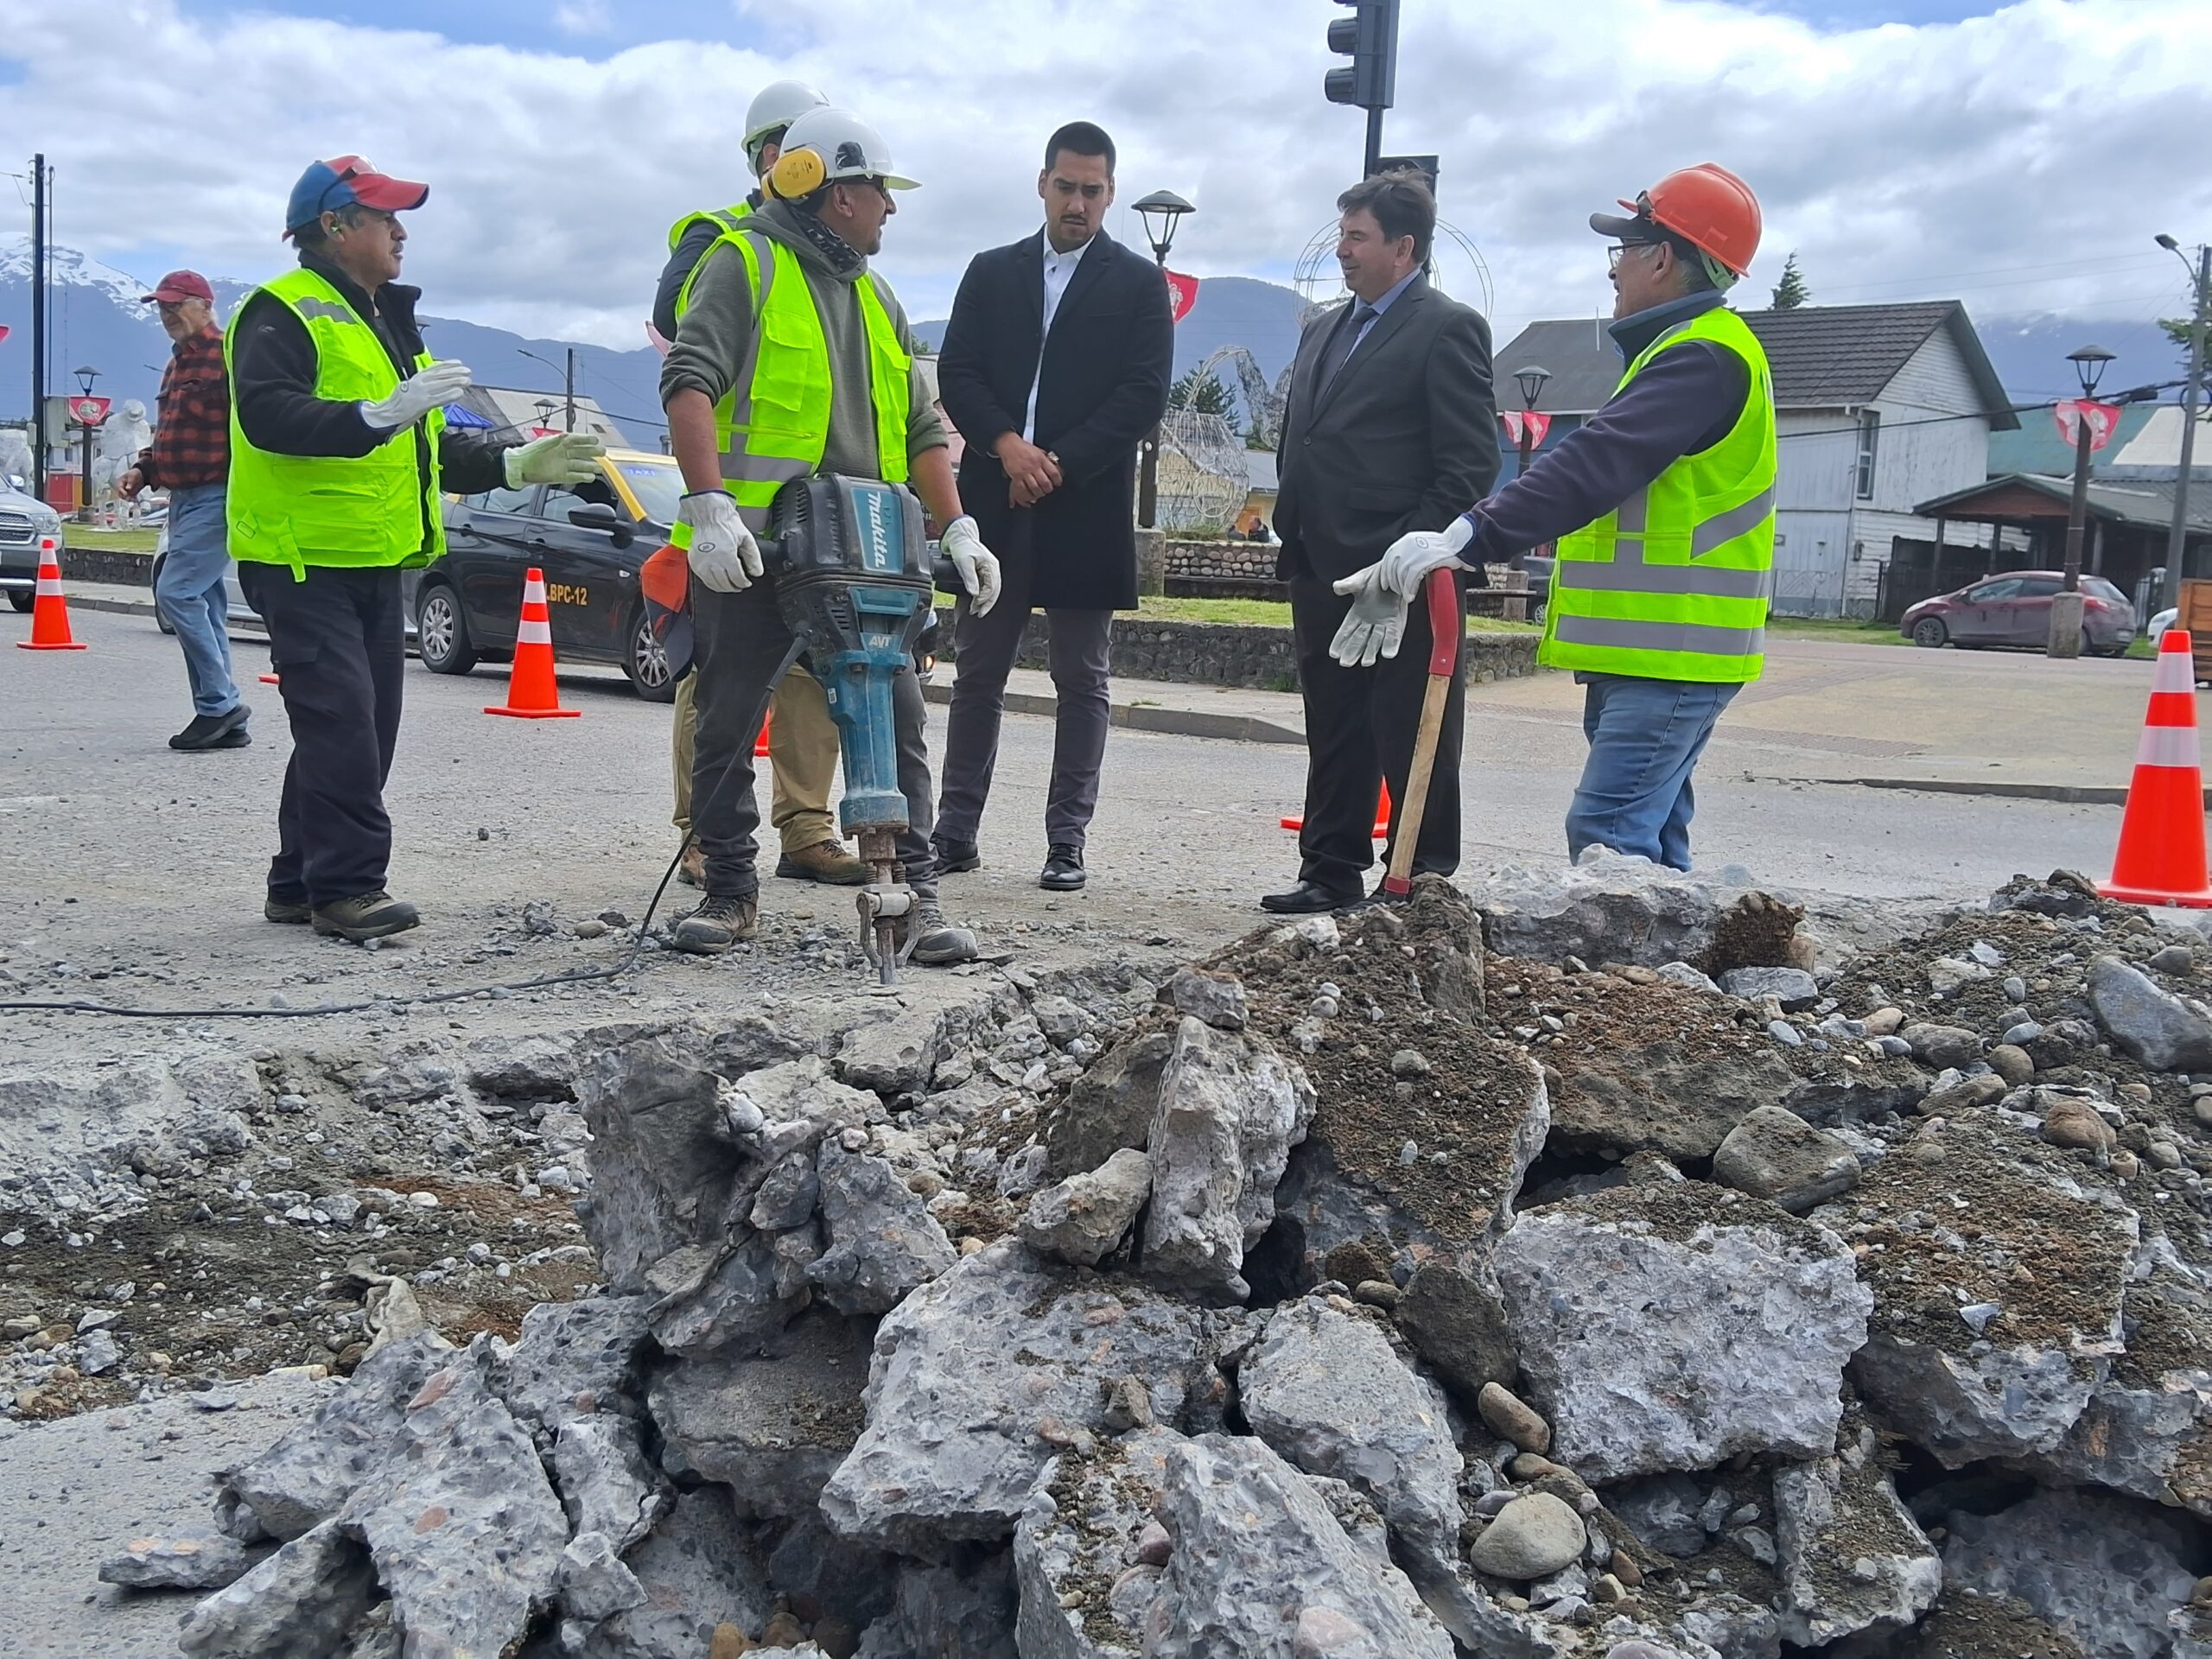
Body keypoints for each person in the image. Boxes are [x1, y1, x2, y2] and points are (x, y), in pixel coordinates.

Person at [1336, 164, 1771, 874]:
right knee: (1652, 844)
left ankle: (1626, 983)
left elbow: (1595, 462)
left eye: (1624, 250)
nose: (1614, 271)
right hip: (1658, 654)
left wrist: (1468, 536)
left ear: (1662, 258)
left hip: (1671, 654)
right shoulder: (1687, 351)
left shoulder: (1701, 358)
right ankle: (1672, 979)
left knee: (1610, 838)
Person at [227, 156, 603, 941]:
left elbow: (426, 443)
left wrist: (512, 463)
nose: (401, 232)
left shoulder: (386, 321)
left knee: (358, 729)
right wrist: (374, 413)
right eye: (383, 217)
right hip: (303, 559)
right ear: (334, 227)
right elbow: (270, 417)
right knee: (342, 726)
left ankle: (298, 883)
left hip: (374, 559)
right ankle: (348, 889)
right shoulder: (281, 311)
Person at [659, 108, 1001, 960]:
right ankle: (733, 890)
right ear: (832, 189)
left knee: (897, 720)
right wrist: (709, 507)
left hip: (863, 550)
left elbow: (923, 428)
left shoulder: (878, 297)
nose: (890, 206)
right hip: (761, 546)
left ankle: (914, 899)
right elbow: (689, 380)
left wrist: (956, 525)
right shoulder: (744, 264)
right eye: (878, 188)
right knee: (729, 719)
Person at [932, 121, 1173, 893]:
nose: (1078, 202)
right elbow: (960, 371)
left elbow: (1142, 395)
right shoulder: (991, 272)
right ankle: (955, 831)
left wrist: (1058, 463)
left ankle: (1066, 841)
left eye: (1093, 190)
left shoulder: (1138, 286)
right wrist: (1008, 447)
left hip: (1085, 503)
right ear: (1043, 184)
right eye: (1066, 186)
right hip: (995, 500)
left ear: (1111, 193)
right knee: (977, 674)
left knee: (1083, 679)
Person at [1261, 169, 1498, 915]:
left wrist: (1404, 559)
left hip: (1403, 572)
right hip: (1321, 565)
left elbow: (1468, 464)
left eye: (1356, 238)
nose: (1341, 251)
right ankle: (1328, 868)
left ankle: (1419, 882)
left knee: (1409, 727)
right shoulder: (1327, 326)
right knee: (1334, 725)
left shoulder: (1446, 326)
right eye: (1341, 235)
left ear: (1404, 247)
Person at [652, 79, 862, 891]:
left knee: (815, 670)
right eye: (789, 141)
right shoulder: (725, 241)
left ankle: (807, 828)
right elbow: (680, 329)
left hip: (818, 516)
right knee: (718, 680)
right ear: (766, 154)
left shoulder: (836, 265)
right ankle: (703, 836)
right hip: (732, 512)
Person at [120, 270, 247, 752]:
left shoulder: (229, 355)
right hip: (182, 498)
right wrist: (144, 468)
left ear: (205, 305)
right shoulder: (176, 364)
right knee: (205, 601)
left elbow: (246, 425)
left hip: (217, 493)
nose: (168, 315)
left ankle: (220, 703)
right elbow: (168, 431)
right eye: (162, 308)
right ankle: (223, 718)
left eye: (176, 305)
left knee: (175, 592)